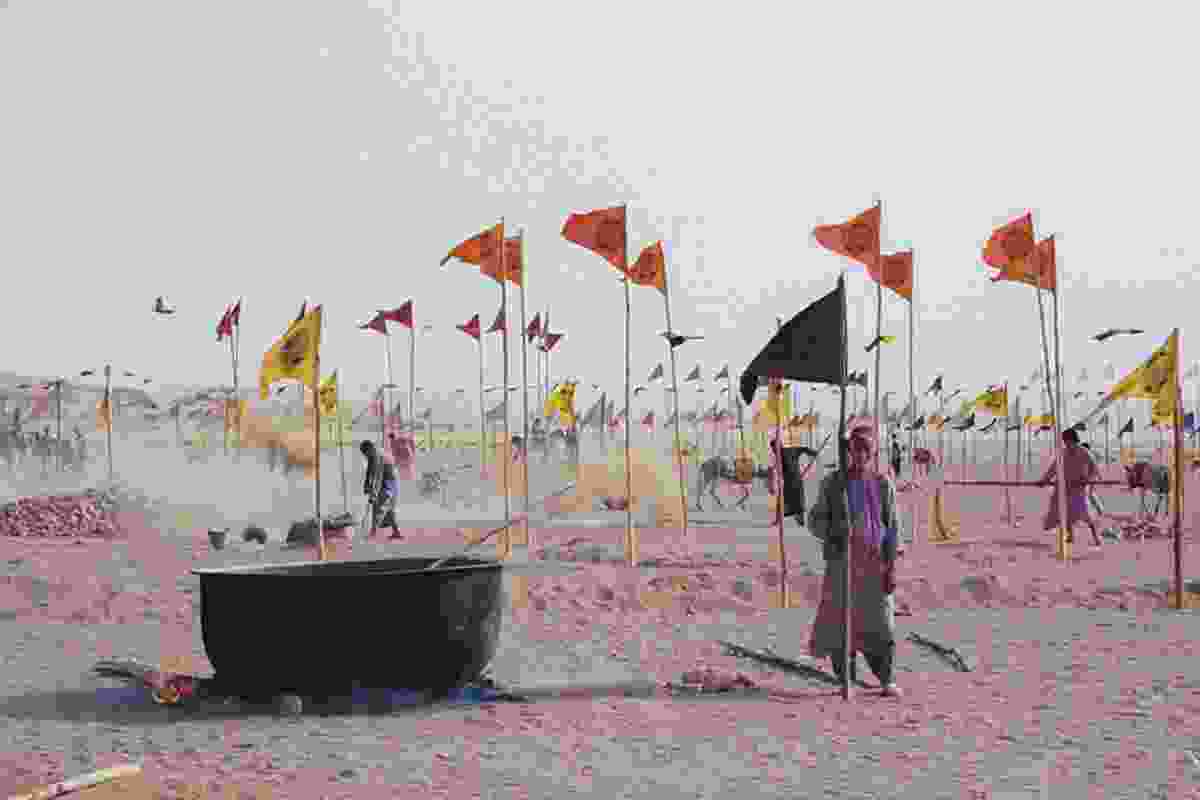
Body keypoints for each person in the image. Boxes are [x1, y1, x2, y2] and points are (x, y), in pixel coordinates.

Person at [807, 423, 906, 697]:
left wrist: (891, 568)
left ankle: (886, 679)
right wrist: (835, 531)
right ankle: (845, 680)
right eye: (856, 449)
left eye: (866, 449)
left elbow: (893, 528)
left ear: (873, 452)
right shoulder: (834, 483)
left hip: (875, 564)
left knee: (881, 623)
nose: (860, 454)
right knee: (842, 622)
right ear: (849, 450)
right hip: (842, 564)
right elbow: (814, 520)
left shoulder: (883, 484)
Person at [1036, 428, 1102, 546]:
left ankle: (1096, 537)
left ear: (1073, 440)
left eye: (1067, 441)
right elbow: (1054, 468)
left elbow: (1094, 468)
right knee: (1063, 512)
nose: (1066, 443)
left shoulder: (1084, 452)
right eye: (1065, 441)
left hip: (1078, 488)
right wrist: (1044, 480)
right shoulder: (1063, 452)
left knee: (1085, 514)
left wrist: (1087, 479)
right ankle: (1070, 536)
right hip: (1063, 487)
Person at [360, 440, 402, 539]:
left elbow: (377, 477)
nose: (365, 456)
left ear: (369, 449)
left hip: (389, 483)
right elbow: (369, 472)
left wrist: (373, 494)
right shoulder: (373, 455)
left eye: (365, 453)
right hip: (387, 482)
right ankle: (396, 532)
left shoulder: (377, 456)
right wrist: (366, 485)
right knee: (388, 509)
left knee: (379, 507)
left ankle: (373, 533)